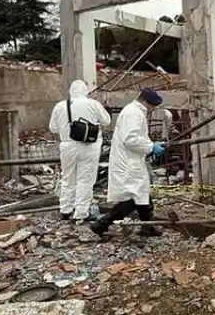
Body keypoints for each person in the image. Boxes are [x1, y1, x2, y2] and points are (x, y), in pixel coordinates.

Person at [91, 88, 166, 238]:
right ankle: (102, 224)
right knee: (133, 198)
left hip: (132, 160)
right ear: (145, 102)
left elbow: (137, 137)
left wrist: (151, 145)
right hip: (128, 163)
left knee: (142, 193)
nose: (152, 110)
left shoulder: (134, 111)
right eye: (152, 106)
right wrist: (151, 147)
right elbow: (130, 139)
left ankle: (147, 227)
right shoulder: (134, 113)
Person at [48, 79, 112, 223]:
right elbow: (107, 121)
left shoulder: (60, 106)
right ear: (86, 91)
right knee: (86, 180)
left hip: (67, 146)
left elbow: (53, 128)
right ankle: (81, 213)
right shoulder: (93, 104)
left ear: (70, 91)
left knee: (68, 178)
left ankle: (65, 210)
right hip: (89, 146)